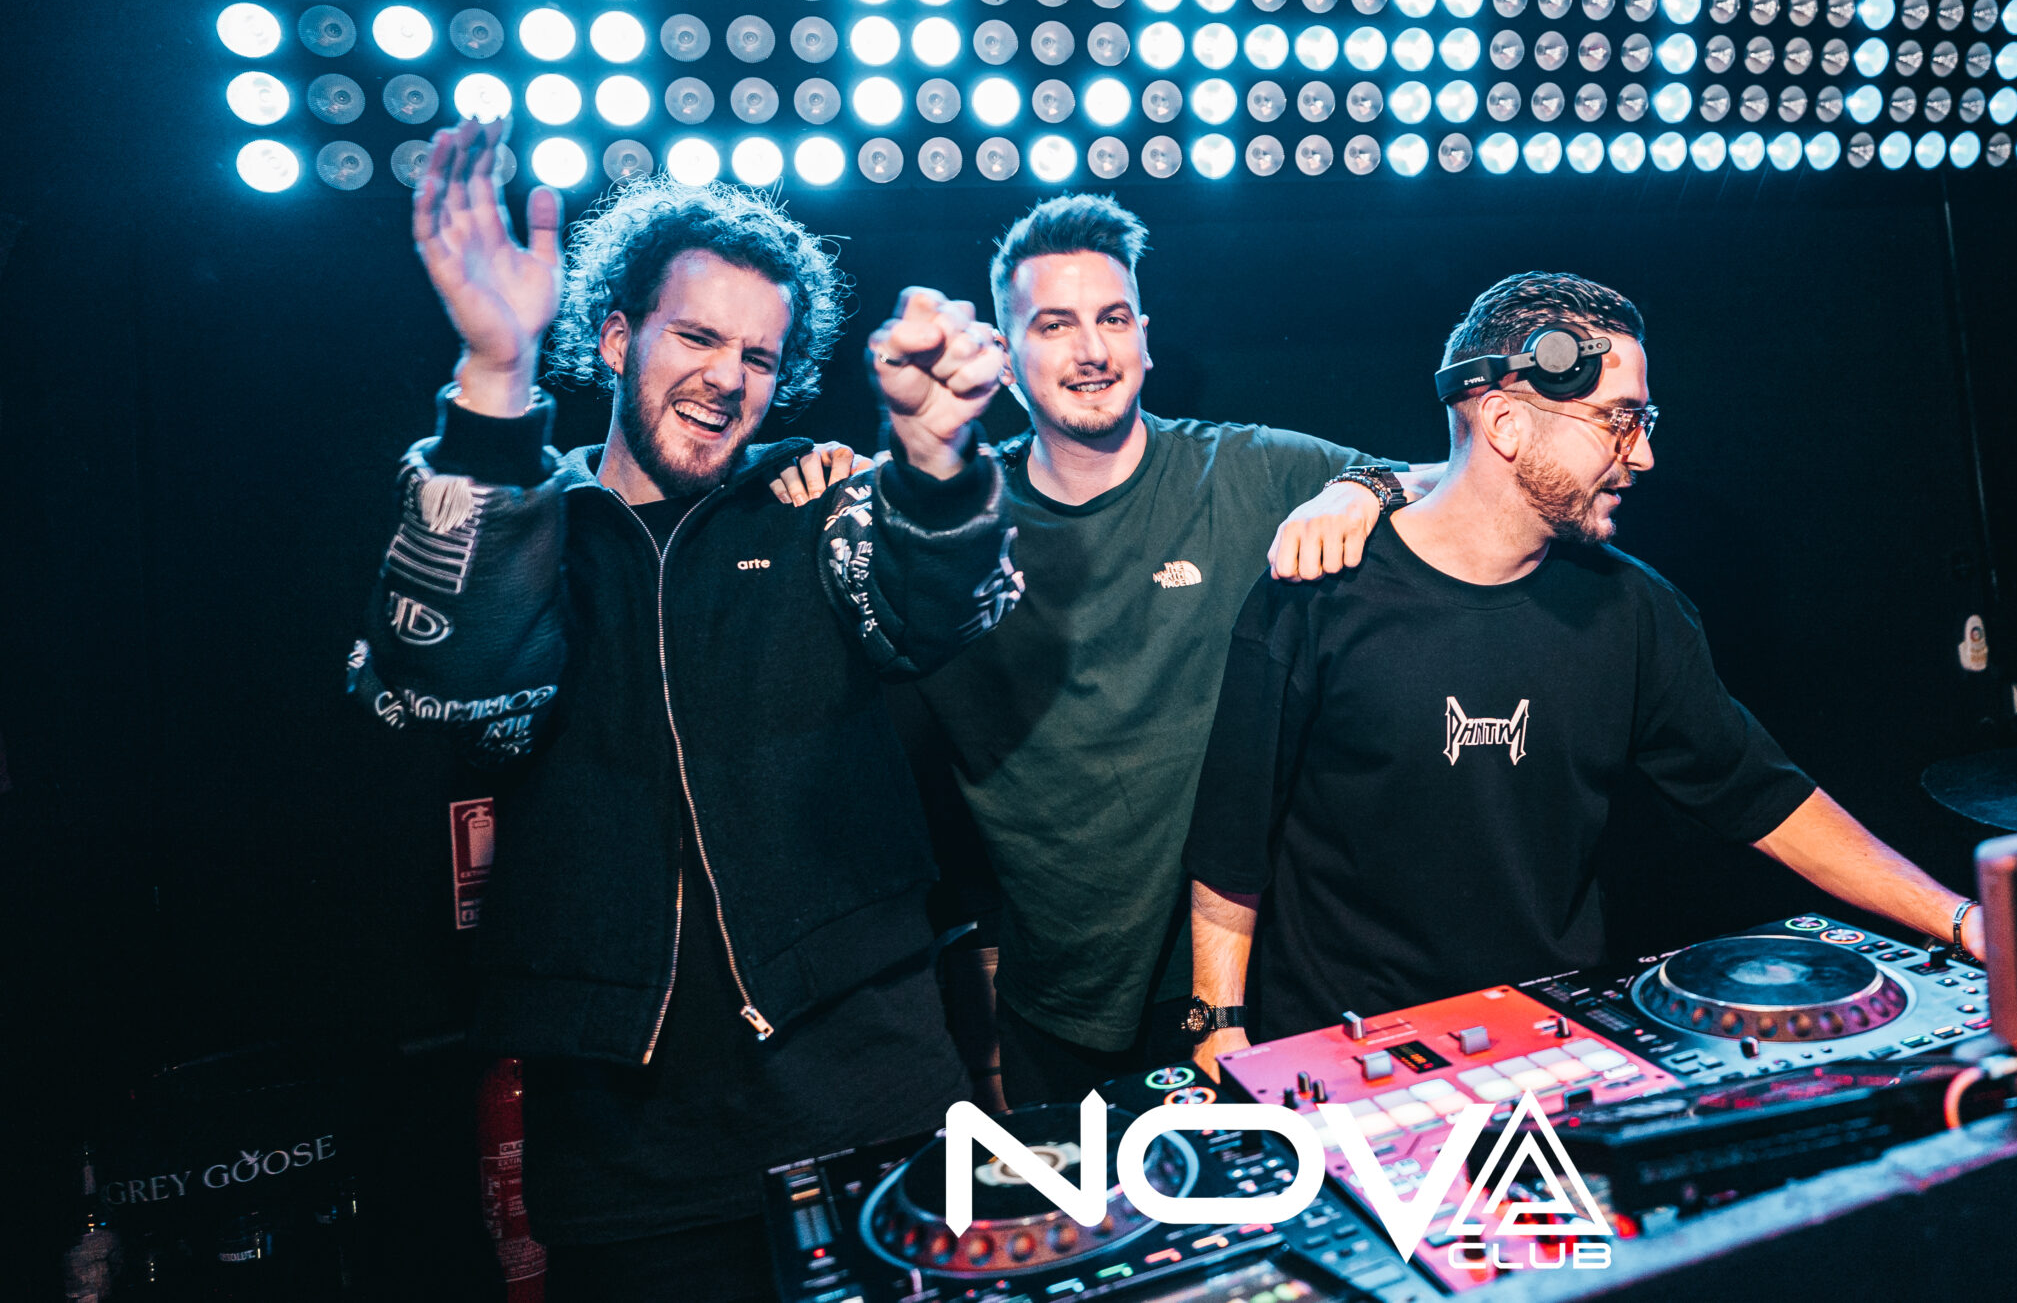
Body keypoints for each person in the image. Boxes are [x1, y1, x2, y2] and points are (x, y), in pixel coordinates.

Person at [351, 120, 1015, 1303]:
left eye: (759, 356)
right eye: (697, 336)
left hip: (871, 1100)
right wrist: (496, 375)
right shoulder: (526, 523)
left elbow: (933, 609)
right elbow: (449, 685)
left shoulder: (813, 505)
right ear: (616, 338)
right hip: (629, 1148)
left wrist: (932, 463)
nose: (726, 376)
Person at [1183, 271, 2017, 1067]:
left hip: (1554, 1042)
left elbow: (1765, 798)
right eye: (1617, 420)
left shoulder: (1633, 610)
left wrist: (1964, 919)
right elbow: (1231, 845)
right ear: (1507, 422)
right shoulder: (1317, 591)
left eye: (1645, 419)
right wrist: (1217, 1031)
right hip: (1350, 1054)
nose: (1641, 455)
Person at [778, 194, 1439, 1108]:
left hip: (1253, 990)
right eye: (1055, 324)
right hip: (1059, 1004)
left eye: (1114, 318)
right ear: (1004, 353)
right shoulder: (959, 521)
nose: (1091, 349)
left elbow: (1448, 482)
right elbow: (896, 580)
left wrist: (1362, 488)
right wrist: (829, 467)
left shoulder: (1248, 469)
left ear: (1146, 340)